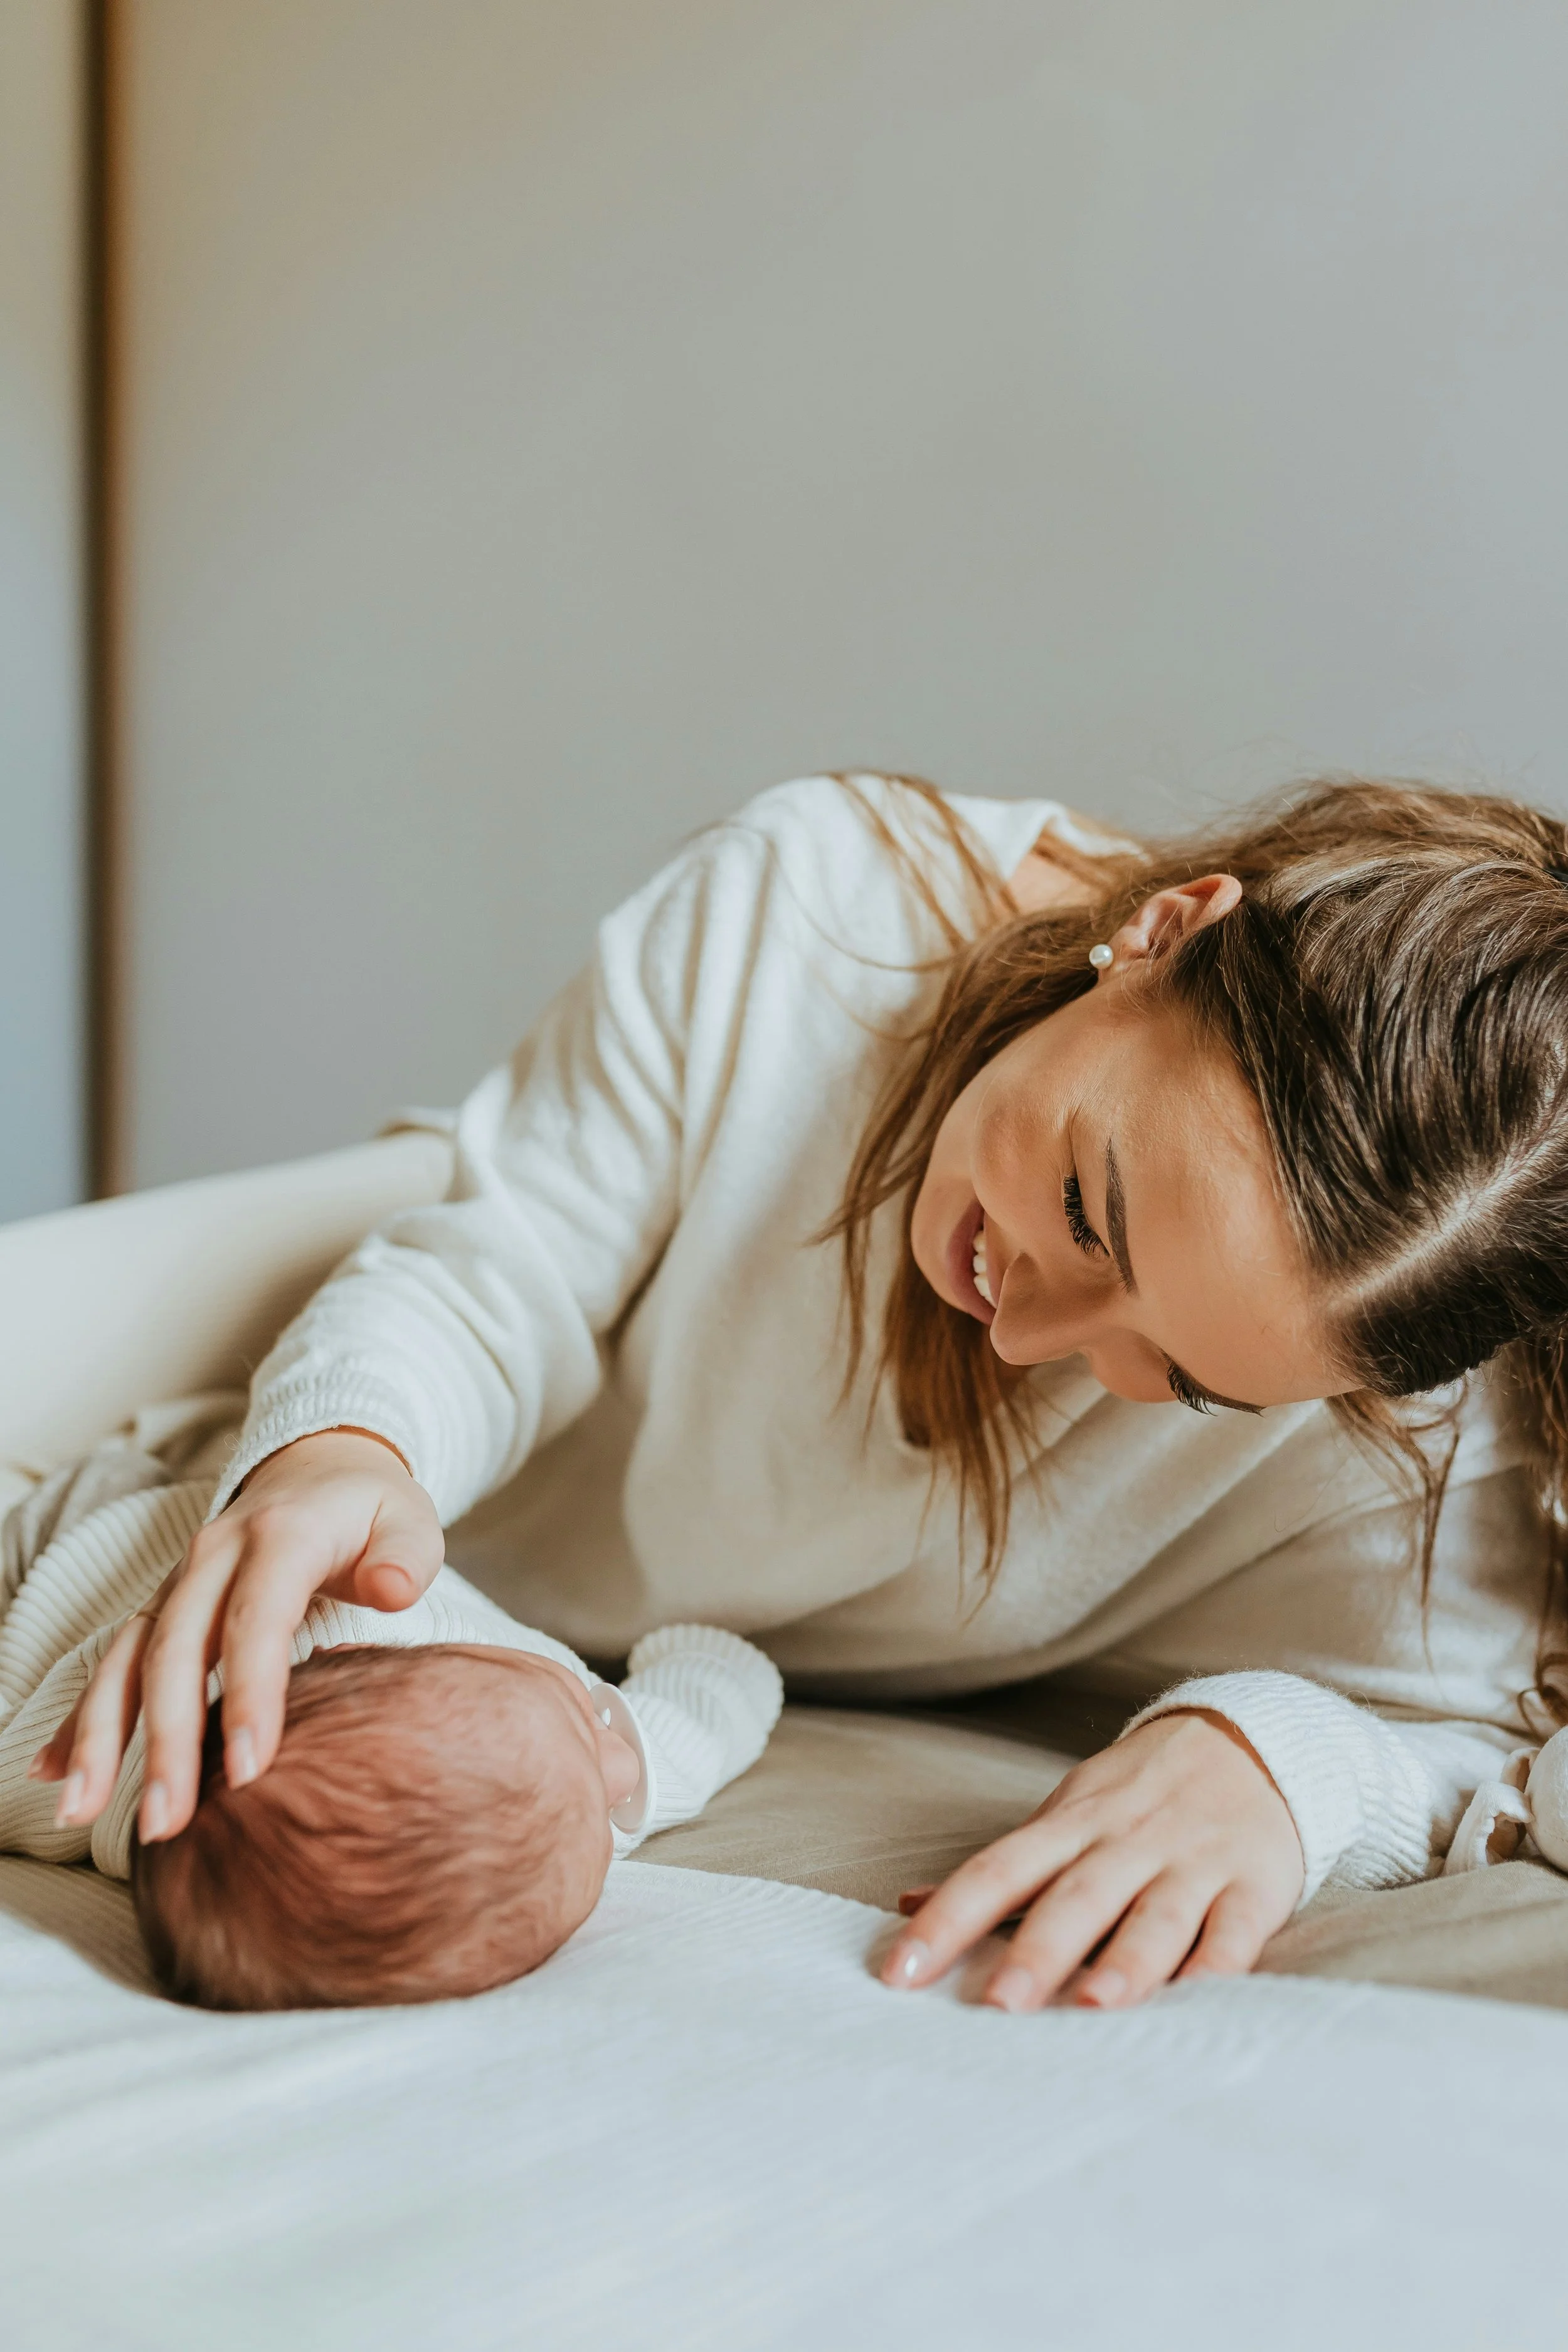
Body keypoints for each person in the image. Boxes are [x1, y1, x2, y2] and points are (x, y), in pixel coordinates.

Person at [34, 771, 1568, 2011]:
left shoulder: (1418, 1370)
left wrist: (1274, 1766)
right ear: (1163, 930)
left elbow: (1459, 1732)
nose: (1039, 1336)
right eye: (1089, 1209)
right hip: (436, 1570)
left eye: (1183, 1380)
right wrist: (348, 1439)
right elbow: (503, 1260)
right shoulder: (815, 923)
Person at [1, 1461, 781, 2006]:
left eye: (605, 1840)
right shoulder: (574, 1782)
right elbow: (718, 1689)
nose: (621, 1766)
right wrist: (708, 1669)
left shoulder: (87, 1772)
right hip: (158, 1517)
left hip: (61, 1587)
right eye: (587, 1724)